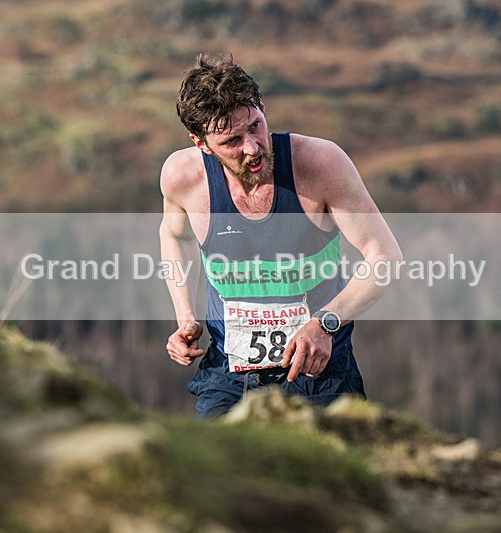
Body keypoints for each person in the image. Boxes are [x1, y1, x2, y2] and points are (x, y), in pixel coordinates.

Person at [160, 53, 402, 418]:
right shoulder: (183, 178)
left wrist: (325, 322)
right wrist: (185, 317)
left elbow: (384, 258)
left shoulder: (321, 164)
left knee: (329, 473)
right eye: (232, 141)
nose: (253, 148)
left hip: (319, 371)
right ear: (201, 143)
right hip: (229, 370)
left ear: (262, 106)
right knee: (221, 473)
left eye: (256, 126)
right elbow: (175, 237)